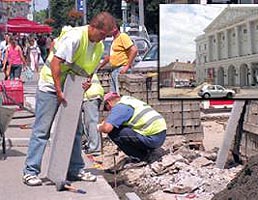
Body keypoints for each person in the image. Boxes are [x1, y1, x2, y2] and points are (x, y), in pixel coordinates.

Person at [22, 11, 115, 186]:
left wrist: (87, 83)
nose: (103, 39)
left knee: (74, 130)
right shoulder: (75, 37)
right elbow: (56, 63)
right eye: (103, 34)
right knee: (42, 130)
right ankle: (30, 170)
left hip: (71, 88)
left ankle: (75, 169)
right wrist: (58, 91)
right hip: (51, 85)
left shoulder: (99, 46)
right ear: (93, 26)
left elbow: (89, 71)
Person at [97, 92, 167, 167]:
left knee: (113, 132)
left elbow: (106, 128)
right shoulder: (129, 100)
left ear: (109, 103)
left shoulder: (120, 107)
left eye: (107, 109)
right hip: (160, 134)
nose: (110, 112)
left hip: (152, 138)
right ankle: (148, 151)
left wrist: (99, 127)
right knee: (121, 128)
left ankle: (142, 157)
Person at [99, 22, 138, 94]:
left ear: (115, 28)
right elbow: (109, 56)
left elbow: (134, 50)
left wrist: (127, 66)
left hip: (121, 68)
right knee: (114, 94)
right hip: (114, 70)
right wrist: (100, 66)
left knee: (120, 93)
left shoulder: (122, 36)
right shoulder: (114, 40)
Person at [81, 73, 104, 155]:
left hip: (91, 95)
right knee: (86, 122)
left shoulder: (83, 65)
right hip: (91, 94)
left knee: (91, 122)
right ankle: (91, 145)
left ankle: (94, 148)